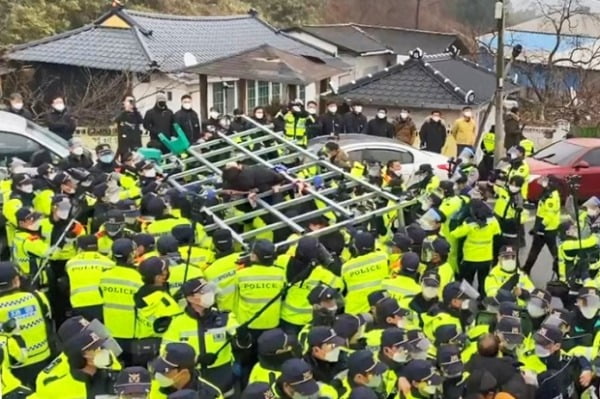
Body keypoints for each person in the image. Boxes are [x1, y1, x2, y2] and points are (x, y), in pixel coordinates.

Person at [162, 277, 242, 396]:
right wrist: (196, 359)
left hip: (223, 376)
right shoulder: (177, 323)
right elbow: (165, 353)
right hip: (192, 378)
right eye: (203, 291)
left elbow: (242, 343)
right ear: (190, 298)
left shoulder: (225, 317)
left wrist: (243, 337)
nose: (209, 294)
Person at [0, 261, 52, 387]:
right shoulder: (37, 297)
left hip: (14, 363)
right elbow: (49, 318)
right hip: (43, 358)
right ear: (16, 281)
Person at [279, 236, 343, 335]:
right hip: (308, 319)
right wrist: (328, 261)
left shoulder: (282, 260)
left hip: (285, 316)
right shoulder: (321, 273)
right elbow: (340, 286)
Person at [35, 328, 120, 397]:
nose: (101, 350)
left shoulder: (110, 370)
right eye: (95, 349)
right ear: (83, 356)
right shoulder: (57, 388)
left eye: (99, 347)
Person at [99, 238, 143, 366]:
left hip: (110, 330)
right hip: (132, 332)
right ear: (131, 255)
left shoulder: (104, 275)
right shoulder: (138, 277)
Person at [451, 199, 501, 296]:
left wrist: (456, 220)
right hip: (486, 258)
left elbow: (454, 234)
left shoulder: (469, 224)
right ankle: (482, 300)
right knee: (483, 281)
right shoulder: (493, 221)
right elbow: (497, 232)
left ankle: (467, 299)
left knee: (468, 281)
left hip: (470, 258)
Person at [66, 235, 115, 321]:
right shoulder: (109, 263)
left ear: (79, 248)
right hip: (102, 304)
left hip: (79, 304)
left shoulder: (70, 263)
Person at [150, 342, 223, 399]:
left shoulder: (211, 395)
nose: (159, 374)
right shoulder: (152, 386)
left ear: (183, 373)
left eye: (165, 371)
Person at [341, 231, 389, 314]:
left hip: (356, 312)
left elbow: (343, 291)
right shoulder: (383, 257)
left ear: (355, 248)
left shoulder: (346, 267)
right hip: (382, 308)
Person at [522, 175, 560, 275]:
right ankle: (526, 268)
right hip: (541, 227)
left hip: (548, 229)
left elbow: (550, 215)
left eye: (546, 181)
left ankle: (561, 271)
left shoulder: (552, 197)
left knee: (554, 253)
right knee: (534, 249)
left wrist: (540, 227)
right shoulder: (547, 193)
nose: (544, 182)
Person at [272, 358, 337, 399]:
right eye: (302, 390)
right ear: (286, 387)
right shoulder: (270, 395)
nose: (309, 393)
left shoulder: (322, 389)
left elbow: (328, 391)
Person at [115, 95, 144, 160]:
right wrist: (126, 110)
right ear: (123, 102)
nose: (131, 103)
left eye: (132, 101)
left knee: (136, 161)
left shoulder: (136, 114)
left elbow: (141, 121)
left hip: (135, 142)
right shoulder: (121, 114)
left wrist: (134, 110)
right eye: (129, 101)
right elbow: (116, 120)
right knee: (125, 161)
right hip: (124, 144)